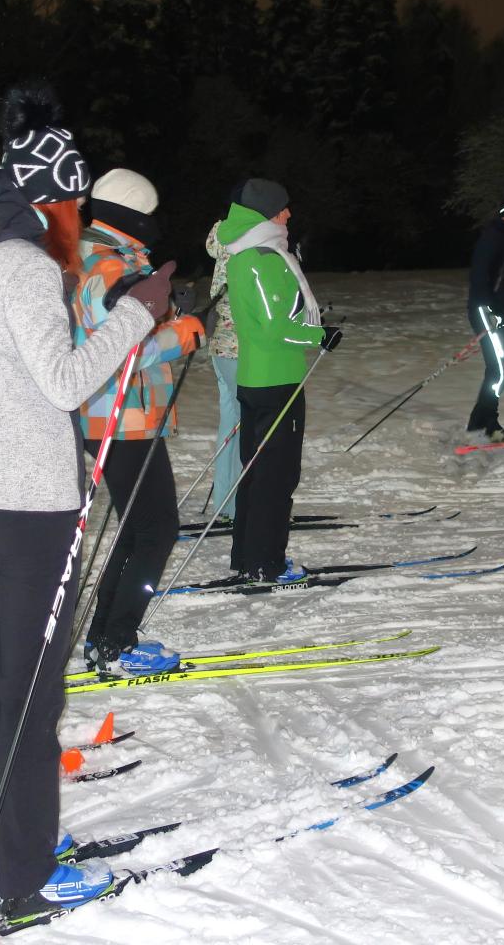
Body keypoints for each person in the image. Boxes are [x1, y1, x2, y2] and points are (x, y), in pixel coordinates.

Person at [0, 82, 172, 916]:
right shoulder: (26, 267)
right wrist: (139, 316)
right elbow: (67, 379)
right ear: (52, 197)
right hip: (31, 505)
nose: (76, 217)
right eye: (72, 201)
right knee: (32, 694)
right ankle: (27, 878)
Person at [71, 168, 204, 677]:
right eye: (147, 215)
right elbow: (116, 349)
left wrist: (169, 315)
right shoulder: (105, 265)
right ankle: (116, 644)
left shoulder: (108, 258)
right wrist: (182, 334)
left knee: (139, 529)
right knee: (155, 530)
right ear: (132, 216)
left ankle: (107, 637)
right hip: (117, 416)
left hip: (123, 415)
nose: (154, 224)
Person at [219, 179, 342, 584]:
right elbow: (272, 330)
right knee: (276, 477)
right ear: (268, 212)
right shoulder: (262, 258)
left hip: (264, 380)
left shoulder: (250, 255)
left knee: (257, 473)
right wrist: (319, 334)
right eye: (283, 208)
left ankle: (249, 558)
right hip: (276, 382)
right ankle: (265, 564)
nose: (289, 214)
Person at [465, 200, 504, 442]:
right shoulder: (494, 238)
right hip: (485, 310)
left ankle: (479, 424)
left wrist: (503, 316)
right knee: (500, 370)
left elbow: (499, 281)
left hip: (494, 312)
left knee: (498, 369)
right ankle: (487, 425)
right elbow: (479, 276)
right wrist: (492, 312)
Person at [203, 197, 242, 524]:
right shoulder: (247, 239)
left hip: (221, 343)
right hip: (238, 344)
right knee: (245, 421)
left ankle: (226, 501)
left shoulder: (224, 236)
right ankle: (237, 502)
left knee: (231, 419)